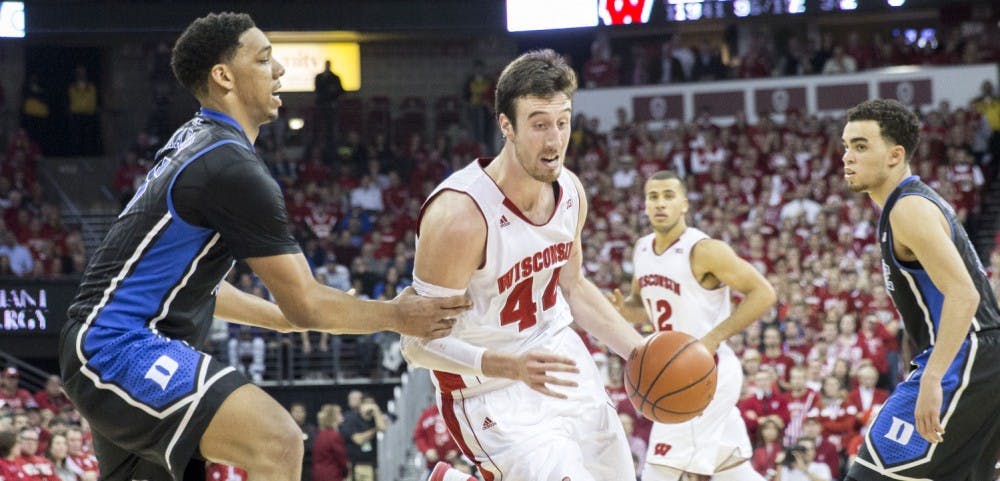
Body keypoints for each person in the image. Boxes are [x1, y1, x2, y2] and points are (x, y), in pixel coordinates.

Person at [56, 12, 468, 481]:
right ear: (223, 76)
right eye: (265, 58)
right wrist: (397, 316)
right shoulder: (228, 166)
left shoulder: (198, 141)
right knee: (279, 441)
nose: (280, 71)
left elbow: (194, 285)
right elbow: (309, 304)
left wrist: (280, 319)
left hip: (109, 343)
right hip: (119, 346)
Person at [402, 49, 643, 480]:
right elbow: (415, 346)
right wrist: (509, 365)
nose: (554, 141)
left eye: (562, 122)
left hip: (558, 357)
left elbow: (572, 286)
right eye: (538, 124)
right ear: (506, 126)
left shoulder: (570, 192)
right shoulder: (461, 216)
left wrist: (638, 351)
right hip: (488, 387)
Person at [841, 98, 1000, 481]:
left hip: (967, 357)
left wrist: (931, 377)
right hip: (982, 359)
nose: (848, 156)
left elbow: (965, 295)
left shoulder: (908, 209)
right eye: (846, 146)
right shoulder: (914, 202)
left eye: (861, 146)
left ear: (896, 155)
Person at [607, 169, 777, 481]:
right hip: (674, 371)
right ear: (644, 205)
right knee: (733, 473)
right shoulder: (642, 248)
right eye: (653, 197)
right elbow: (644, 309)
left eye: (668, 196)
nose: (660, 203)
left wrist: (713, 337)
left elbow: (764, 293)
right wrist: (622, 310)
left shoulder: (704, 250)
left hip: (703, 371)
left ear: (684, 203)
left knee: (660, 470)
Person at [338, 394, 386, 480]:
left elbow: (383, 428)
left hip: (371, 463)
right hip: (355, 464)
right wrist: (375, 430)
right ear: (361, 405)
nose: (370, 407)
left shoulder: (374, 419)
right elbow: (358, 440)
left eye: (372, 404)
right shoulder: (351, 418)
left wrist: (377, 411)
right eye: (367, 404)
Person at [312, 404, 348, 481]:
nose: (342, 416)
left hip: (318, 475)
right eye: (339, 414)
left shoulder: (320, 434)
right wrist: (346, 472)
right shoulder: (334, 436)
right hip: (332, 475)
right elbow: (341, 458)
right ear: (333, 417)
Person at [313, 59, 343, 142]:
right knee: (321, 124)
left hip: (332, 106)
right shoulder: (319, 77)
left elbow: (340, 91)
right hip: (321, 105)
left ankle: (331, 140)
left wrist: (333, 93)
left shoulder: (335, 78)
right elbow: (317, 90)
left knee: (331, 125)